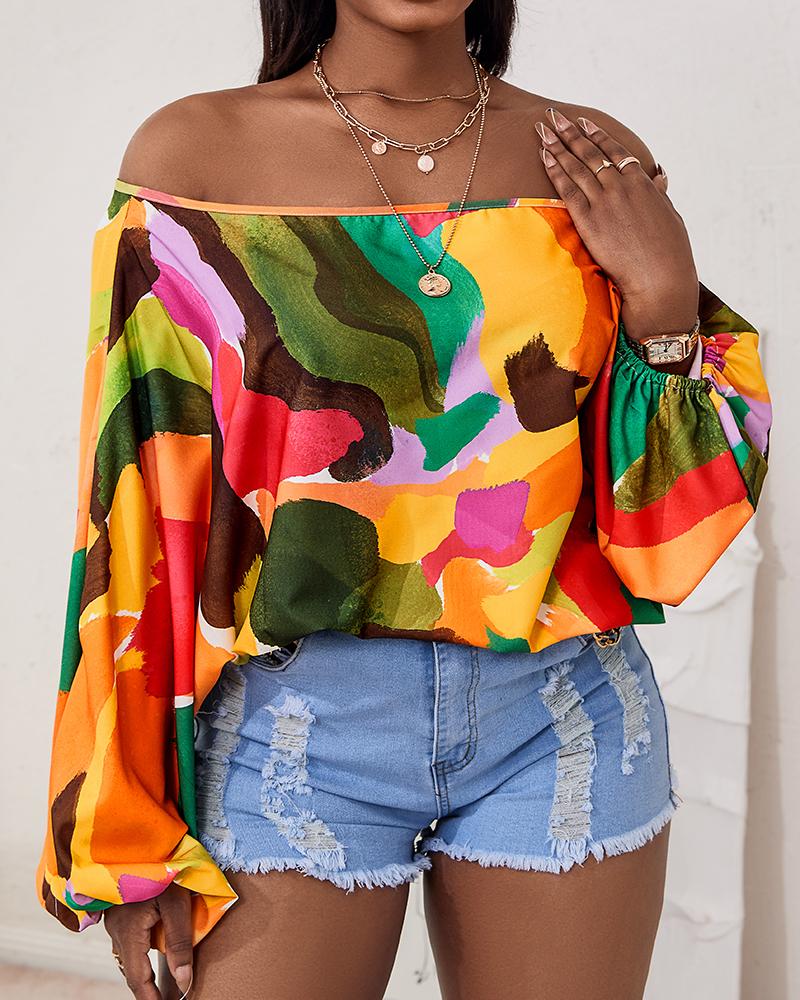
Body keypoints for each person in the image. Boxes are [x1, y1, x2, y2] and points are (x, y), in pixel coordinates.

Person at [37, 2, 772, 998]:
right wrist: (121, 833)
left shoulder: (590, 159)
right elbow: (131, 511)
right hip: (292, 728)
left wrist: (665, 302)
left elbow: (662, 543)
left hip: (564, 715)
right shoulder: (196, 158)